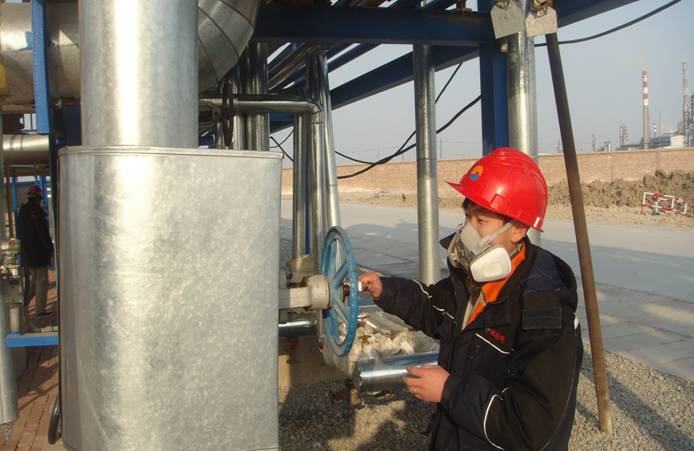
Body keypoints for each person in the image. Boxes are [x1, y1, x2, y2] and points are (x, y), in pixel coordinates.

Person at [360, 148, 583, 451]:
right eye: (467, 217)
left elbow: (528, 425)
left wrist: (449, 390)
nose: (468, 232)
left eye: (481, 220)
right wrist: (384, 289)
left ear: (518, 228)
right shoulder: (472, 283)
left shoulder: (544, 315)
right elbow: (432, 307)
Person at [18, 185, 54, 318]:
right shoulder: (37, 212)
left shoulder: (23, 212)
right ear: (38, 198)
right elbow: (42, 233)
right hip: (39, 253)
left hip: (27, 253)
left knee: (32, 283)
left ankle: (22, 308)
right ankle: (40, 310)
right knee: (41, 282)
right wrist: (50, 248)